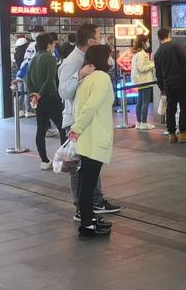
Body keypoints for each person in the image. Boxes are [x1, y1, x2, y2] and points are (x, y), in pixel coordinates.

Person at [58, 23, 121, 221]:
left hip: (85, 121)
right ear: (91, 41)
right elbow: (64, 92)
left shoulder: (93, 63)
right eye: (100, 35)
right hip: (77, 120)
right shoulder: (73, 62)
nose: (102, 37)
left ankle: (94, 202)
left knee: (90, 166)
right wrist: (79, 75)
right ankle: (82, 208)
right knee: (80, 169)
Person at [67, 45, 115, 238]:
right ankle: (87, 224)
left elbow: (79, 106)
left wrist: (77, 129)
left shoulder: (87, 78)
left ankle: (90, 219)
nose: (111, 60)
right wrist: (76, 129)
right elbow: (90, 107)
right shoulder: (102, 78)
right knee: (88, 184)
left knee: (86, 183)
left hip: (87, 138)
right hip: (93, 137)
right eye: (109, 56)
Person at [26, 34, 67, 170]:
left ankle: (44, 160)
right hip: (50, 97)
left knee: (41, 129)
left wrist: (34, 94)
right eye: (53, 44)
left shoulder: (34, 58)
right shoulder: (49, 57)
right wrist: (39, 94)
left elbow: (28, 80)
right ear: (49, 44)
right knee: (63, 127)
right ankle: (64, 159)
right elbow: (50, 80)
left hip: (39, 100)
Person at [154, 28, 186, 143]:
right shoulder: (176, 46)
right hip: (182, 82)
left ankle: (171, 134)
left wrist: (161, 88)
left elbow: (158, 74)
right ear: (169, 35)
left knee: (171, 108)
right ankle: (183, 132)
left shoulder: (158, 53)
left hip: (168, 84)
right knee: (185, 106)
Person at [131, 34, 156, 130]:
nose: (148, 43)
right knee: (145, 102)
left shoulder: (137, 54)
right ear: (143, 42)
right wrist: (153, 64)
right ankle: (144, 123)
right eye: (147, 41)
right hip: (145, 81)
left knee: (140, 102)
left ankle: (139, 122)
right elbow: (142, 68)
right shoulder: (142, 54)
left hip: (139, 81)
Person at [13, 37, 30, 118]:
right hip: (26, 73)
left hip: (19, 74)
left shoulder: (16, 54)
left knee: (20, 93)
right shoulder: (26, 53)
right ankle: (28, 110)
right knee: (27, 92)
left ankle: (20, 110)